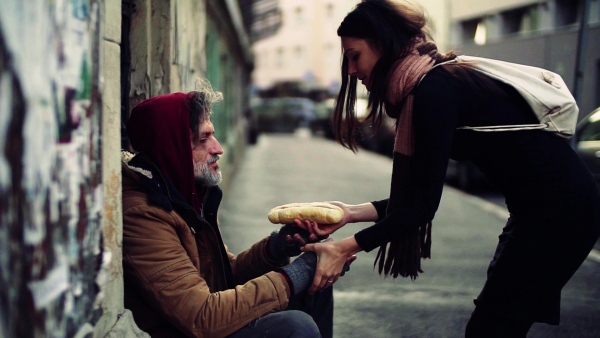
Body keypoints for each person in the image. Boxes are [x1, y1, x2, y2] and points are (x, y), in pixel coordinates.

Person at [297, 1, 600, 337]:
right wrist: (349, 213)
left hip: (561, 215)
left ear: (384, 45)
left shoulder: (434, 89)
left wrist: (343, 248)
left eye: (355, 56)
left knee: (493, 327)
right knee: (496, 324)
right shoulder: (432, 82)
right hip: (538, 213)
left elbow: (420, 207)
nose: (351, 70)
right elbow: (417, 196)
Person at [121, 79, 344, 338]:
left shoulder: (181, 196)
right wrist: (295, 274)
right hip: (189, 330)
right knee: (295, 326)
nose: (218, 148)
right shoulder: (144, 214)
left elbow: (225, 274)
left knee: (316, 285)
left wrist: (277, 248)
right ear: (174, 147)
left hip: (208, 321)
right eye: (204, 139)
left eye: (213, 135)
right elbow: (202, 316)